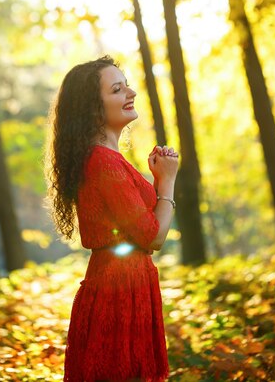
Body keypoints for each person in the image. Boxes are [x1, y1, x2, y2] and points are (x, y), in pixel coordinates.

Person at [45, 56, 179, 382]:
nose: (130, 92)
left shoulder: (107, 159)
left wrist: (158, 182)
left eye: (126, 84)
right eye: (117, 89)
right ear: (93, 108)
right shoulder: (103, 162)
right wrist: (169, 182)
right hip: (118, 291)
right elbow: (153, 237)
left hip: (126, 283)